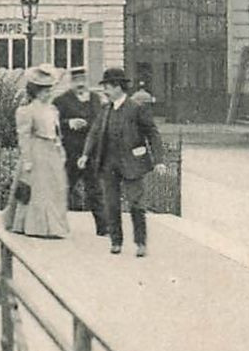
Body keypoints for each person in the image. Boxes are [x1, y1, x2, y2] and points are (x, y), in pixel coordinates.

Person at [79, 67, 164, 258]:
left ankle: (140, 243)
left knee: (136, 203)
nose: (105, 91)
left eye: (107, 87)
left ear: (118, 87)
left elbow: (153, 133)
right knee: (111, 204)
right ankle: (116, 241)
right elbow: (94, 132)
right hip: (108, 163)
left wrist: (158, 160)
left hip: (132, 164)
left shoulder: (136, 108)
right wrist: (85, 154)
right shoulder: (105, 109)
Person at [11, 64, 70, 238]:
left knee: (56, 188)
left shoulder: (52, 110)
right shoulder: (27, 111)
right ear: (37, 92)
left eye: (50, 90)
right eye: (45, 91)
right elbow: (24, 136)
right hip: (37, 152)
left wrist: (60, 149)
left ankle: (55, 226)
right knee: (38, 190)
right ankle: (37, 226)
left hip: (52, 152)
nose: (49, 94)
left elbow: (56, 132)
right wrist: (27, 159)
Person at [53, 66, 104, 236]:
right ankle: (56, 225)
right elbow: (53, 122)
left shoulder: (96, 99)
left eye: (83, 80)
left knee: (95, 190)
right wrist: (69, 123)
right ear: (71, 82)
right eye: (76, 81)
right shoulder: (61, 100)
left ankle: (103, 228)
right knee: (64, 188)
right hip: (71, 152)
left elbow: (101, 122)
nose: (80, 84)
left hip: (91, 154)